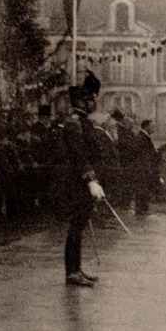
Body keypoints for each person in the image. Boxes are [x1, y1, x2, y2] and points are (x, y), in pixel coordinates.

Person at [61, 71, 105, 286]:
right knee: (76, 227)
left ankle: (76, 268)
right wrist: (90, 180)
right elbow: (79, 154)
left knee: (79, 226)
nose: (94, 103)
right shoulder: (74, 123)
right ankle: (72, 272)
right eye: (91, 100)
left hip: (83, 181)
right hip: (77, 182)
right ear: (83, 101)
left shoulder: (83, 122)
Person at [134, 119, 159, 215]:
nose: (153, 128)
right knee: (142, 188)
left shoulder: (143, 137)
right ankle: (141, 209)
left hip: (143, 167)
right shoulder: (142, 138)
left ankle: (143, 208)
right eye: (152, 126)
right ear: (147, 126)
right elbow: (144, 155)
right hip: (143, 168)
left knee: (143, 188)